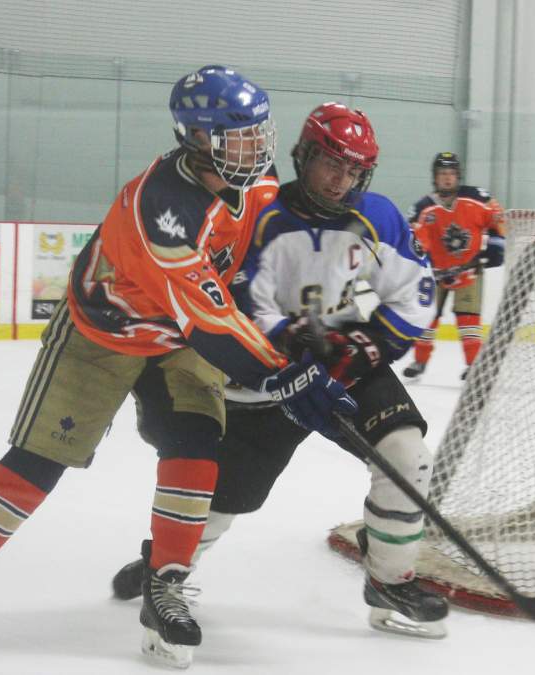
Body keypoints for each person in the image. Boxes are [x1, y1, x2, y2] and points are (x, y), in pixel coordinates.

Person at [0, 66, 357, 667]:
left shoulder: (256, 180)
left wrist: (297, 325)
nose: (258, 147)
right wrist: (283, 373)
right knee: (39, 459)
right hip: (106, 331)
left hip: (178, 333)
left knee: (198, 449)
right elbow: (210, 320)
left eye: (260, 132)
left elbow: (256, 261)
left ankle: (166, 587)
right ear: (196, 138)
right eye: (240, 136)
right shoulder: (163, 210)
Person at [110, 102, 450, 640]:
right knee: (227, 497)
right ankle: (167, 565)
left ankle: (389, 578)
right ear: (303, 155)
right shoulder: (255, 212)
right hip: (267, 377)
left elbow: (415, 291)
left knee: (407, 455)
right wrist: (284, 335)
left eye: (356, 170)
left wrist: (374, 343)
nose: (343, 181)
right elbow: (227, 300)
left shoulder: (378, 216)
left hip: (339, 367)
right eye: (332, 164)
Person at [402, 152, 506, 381]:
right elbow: (415, 241)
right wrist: (416, 262)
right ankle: (419, 361)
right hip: (436, 274)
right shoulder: (423, 207)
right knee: (427, 317)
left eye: (451, 174)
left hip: (469, 271)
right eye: (442, 174)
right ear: (435, 178)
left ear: (458, 176)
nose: (447, 179)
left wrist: (496, 245)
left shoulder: (478, 198)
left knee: (468, 319)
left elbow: (498, 221)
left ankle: (473, 366)